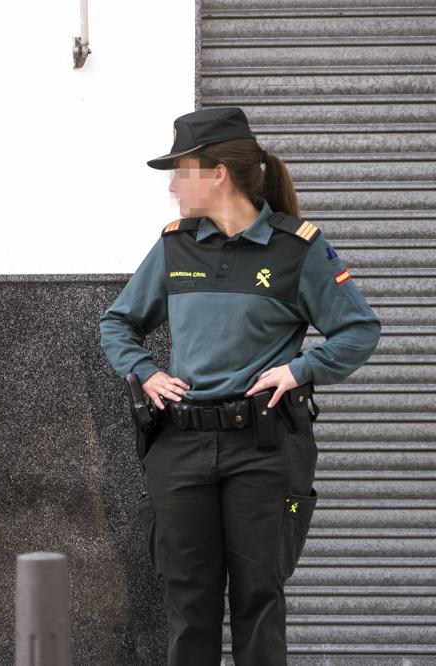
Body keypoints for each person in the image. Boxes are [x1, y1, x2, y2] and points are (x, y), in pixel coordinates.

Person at [100, 107, 381, 665]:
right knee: (189, 603)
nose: (175, 186)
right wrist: (148, 371)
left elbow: (358, 329)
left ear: (218, 174)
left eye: (181, 171)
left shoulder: (298, 250)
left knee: (258, 599)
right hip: (180, 446)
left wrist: (301, 369)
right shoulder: (176, 247)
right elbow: (118, 321)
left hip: (264, 447)